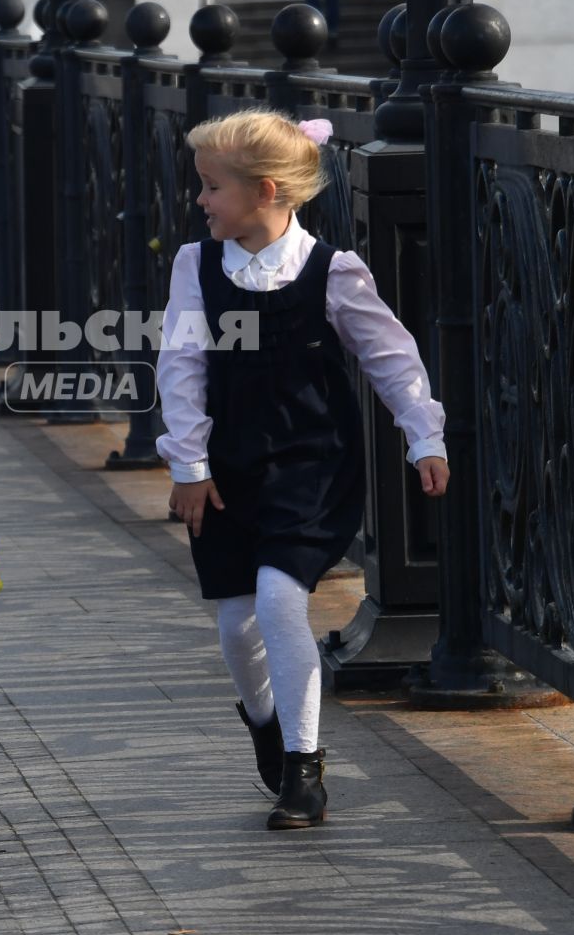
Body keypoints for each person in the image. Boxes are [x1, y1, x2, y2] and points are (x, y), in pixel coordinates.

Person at [158, 110, 448, 830]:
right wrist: (188, 461)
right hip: (226, 470)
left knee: (282, 602)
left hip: (310, 467)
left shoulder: (332, 272)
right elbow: (182, 365)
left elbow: (391, 355)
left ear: (263, 191)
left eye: (210, 188)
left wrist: (423, 435)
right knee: (235, 624)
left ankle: (304, 770)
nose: (199, 201)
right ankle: (266, 720)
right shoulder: (195, 266)